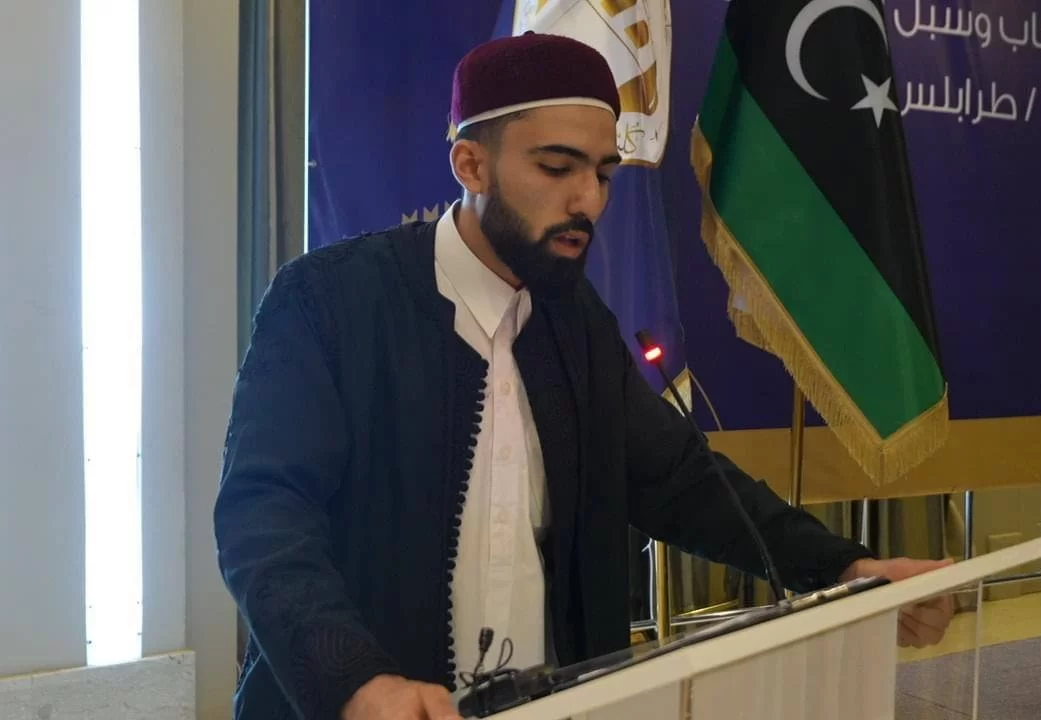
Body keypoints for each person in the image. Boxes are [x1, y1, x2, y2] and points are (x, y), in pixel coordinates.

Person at [214, 32, 953, 720]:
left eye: (602, 173)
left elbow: (682, 483)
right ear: (471, 165)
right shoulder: (330, 301)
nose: (589, 200)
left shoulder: (576, 321)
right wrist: (355, 681)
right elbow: (264, 515)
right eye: (557, 168)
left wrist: (845, 568)